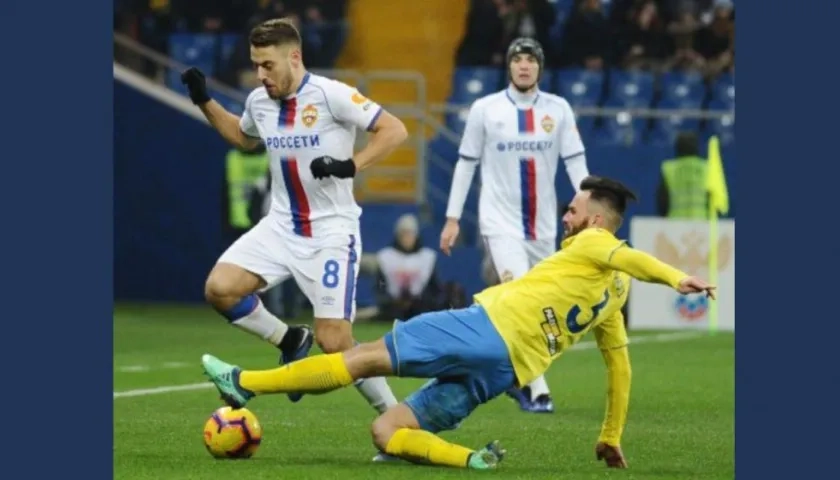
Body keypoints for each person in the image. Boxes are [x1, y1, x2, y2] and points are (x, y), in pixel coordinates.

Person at [201, 176, 716, 471]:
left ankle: (244, 384)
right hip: (505, 371)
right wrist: (610, 434)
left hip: (484, 327)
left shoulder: (594, 244)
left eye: (573, 210)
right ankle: (470, 460)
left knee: (359, 356)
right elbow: (619, 368)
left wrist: (676, 278)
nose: (566, 216)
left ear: (597, 221)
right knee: (387, 431)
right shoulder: (614, 294)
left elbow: (633, 259)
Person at [179, 17, 408, 435]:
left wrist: (350, 164)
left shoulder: (331, 95)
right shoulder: (259, 102)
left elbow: (395, 129)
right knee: (220, 288)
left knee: (336, 342)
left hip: (331, 233)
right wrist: (204, 101)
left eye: (268, 65)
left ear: (295, 57)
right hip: (281, 226)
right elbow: (245, 138)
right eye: (256, 64)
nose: (260, 74)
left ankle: (397, 420)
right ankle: (288, 341)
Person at [440, 36, 591, 414]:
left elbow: (575, 162)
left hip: (542, 227)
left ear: (540, 67)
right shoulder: (485, 109)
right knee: (521, 293)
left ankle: (510, 373)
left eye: (531, 60)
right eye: (517, 60)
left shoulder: (558, 109)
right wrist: (453, 217)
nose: (524, 66)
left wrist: (588, 206)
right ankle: (536, 389)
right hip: (500, 222)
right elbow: (465, 163)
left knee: (540, 306)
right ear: (508, 66)